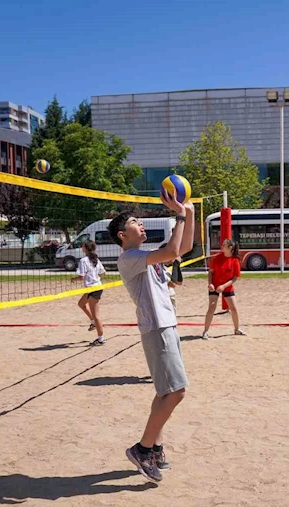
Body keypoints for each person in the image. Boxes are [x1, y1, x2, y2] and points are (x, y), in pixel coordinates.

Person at [108, 190, 195, 484]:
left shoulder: (144, 256)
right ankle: (142, 449)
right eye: (135, 221)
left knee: (165, 392)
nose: (141, 224)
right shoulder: (130, 257)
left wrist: (190, 213)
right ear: (122, 235)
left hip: (165, 325)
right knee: (177, 392)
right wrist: (179, 215)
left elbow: (182, 248)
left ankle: (154, 446)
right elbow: (172, 252)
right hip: (156, 328)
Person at [202, 239, 244, 339]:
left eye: (224, 245)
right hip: (215, 285)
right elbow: (210, 272)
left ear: (230, 248)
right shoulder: (217, 258)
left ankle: (237, 329)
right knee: (212, 307)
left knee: (233, 308)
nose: (221, 246)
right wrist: (210, 284)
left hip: (227, 286)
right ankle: (205, 331)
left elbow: (235, 278)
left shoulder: (235, 260)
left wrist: (224, 286)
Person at [72, 240, 106, 346]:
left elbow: (81, 277)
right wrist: (95, 278)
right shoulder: (95, 259)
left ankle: (100, 339)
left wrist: (73, 279)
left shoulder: (84, 260)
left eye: (82, 246)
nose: (81, 247)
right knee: (81, 304)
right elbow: (103, 273)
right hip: (94, 287)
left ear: (86, 248)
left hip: (93, 289)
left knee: (96, 315)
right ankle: (92, 322)